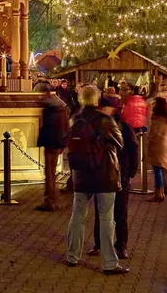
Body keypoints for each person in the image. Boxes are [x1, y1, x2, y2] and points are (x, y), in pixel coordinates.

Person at [63, 84, 128, 276]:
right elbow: (120, 143)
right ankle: (109, 263)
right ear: (97, 98)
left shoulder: (75, 118)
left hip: (81, 174)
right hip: (104, 173)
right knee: (106, 217)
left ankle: (72, 255)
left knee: (78, 215)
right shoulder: (105, 120)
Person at [89, 95, 137, 261]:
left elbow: (133, 150)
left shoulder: (124, 127)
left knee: (120, 212)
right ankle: (99, 243)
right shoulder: (96, 125)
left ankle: (121, 245)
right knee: (101, 211)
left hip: (120, 174)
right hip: (101, 174)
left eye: (105, 108)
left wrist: (130, 172)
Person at [36, 87, 70, 212]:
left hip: (51, 143)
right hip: (58, 142)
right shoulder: (61, 108)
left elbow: (48, 128)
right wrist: (63, 143)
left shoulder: (48, 110)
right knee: (52, 172)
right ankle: (52, 199)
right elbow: (65, 126)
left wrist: (41, 140)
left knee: (49, 173)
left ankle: (50, 201)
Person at [147, 97, 167, 202]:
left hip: (157, 144)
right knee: (162, 168)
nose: (152, 104)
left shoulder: (158, 118)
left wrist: (150, 139)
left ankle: (158, 193)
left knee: (157, 169)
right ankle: (162, 191)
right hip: (163, 143)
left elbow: (155, 132)